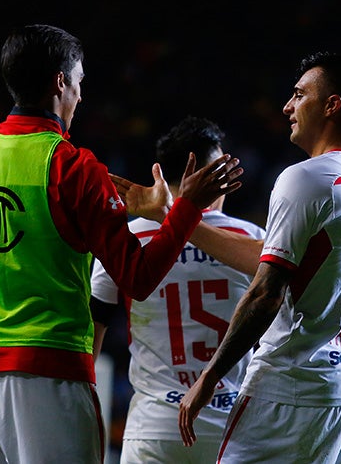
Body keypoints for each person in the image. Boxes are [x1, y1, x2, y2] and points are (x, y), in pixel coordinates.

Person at [0, 24, 242, 464]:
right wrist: (186, 209)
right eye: (79, 82)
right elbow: (137, 278)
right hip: (51, 377)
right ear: (60, 82)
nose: (81, 96)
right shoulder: (74, 166)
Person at [174, 51, 341, 463]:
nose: (288, 107)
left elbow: (265, 293)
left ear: (332, 104)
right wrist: (177, 220)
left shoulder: (305, 177)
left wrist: (211, 375)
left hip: (292, 388)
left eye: (299, 94)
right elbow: (277, 260)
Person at [90, 116, 265, 463]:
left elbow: (90, 339)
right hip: (232, 428)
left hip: (155, 428)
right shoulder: (253, 241)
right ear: (216, 177)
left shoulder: (128, 238)